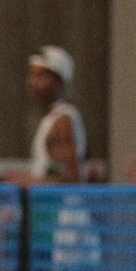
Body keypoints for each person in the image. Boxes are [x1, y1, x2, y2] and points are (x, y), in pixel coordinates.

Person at [26, 45, 85, 182]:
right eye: (31, 75)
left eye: (41, 76)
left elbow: (71, 178)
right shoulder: (50, 118)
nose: (32, 82)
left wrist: (27, 183)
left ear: (59, 82)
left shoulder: (62, 120)